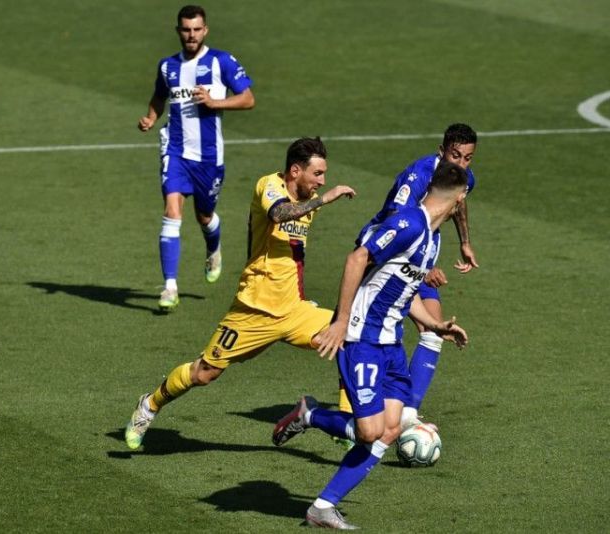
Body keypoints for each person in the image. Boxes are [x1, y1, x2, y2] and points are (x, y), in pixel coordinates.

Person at [272, 160, 470, 529]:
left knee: (391, 429)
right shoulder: (408, 223)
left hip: (391, 342)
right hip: (362, 337)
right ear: (458, 199)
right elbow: (357, 258)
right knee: (368, 432)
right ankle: (311, 416)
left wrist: (433, 324)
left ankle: (322, 506)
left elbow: (404, 289)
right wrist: (342, 322)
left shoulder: (432, 238)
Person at [124, 137, 356, 449]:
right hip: (252, 311)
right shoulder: (269, 186)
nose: (322, 181)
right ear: (295, 170)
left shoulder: (305, 201)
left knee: (350, 336)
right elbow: (278, 214)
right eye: (317, 174)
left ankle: (345, 423)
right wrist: (325, 198)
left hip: (294, 311)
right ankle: (149, 406)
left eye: (324, 175)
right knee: (204, 373)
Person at [339, 123, 480, 429]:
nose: (462, 165)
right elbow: (397, 224)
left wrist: (465, 242)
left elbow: (459, 201)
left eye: (468, 158)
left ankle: (407, 414)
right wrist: (424, 268)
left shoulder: (461, 178)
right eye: (455, 155)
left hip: (418, 256)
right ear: (441, 151)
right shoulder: (417, 176)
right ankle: (355, 401)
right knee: (361, 330)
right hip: (384, 256)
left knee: (434, 329)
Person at [137, 5, 255, 311]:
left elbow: (248, 99)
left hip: (208, 158)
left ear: (205, 30)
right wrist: (151, 118)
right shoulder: (167, 67)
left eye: (196, 29)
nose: (191, 35)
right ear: (178, 31)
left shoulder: (221, 61)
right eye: (186, 29)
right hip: (174, 150)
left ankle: (213, 248)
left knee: (204, 216)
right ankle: (169, 287)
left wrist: (216, 102)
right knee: (172, 210)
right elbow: (158, 97)